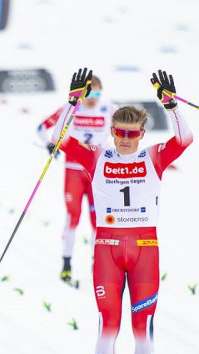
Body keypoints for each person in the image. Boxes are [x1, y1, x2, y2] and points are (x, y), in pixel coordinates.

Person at [58, 68, 193, 354]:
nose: (125, 140)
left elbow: (186, 138)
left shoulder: (153, 157)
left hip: (146, 251)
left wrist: (172, 105)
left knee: (143, 328)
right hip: (107, 252)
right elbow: (58, 138)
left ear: (142, 134)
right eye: (119, 133)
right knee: (108, 326)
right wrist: (72, 103)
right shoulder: (96, 156)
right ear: (111, 131)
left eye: (132, 134)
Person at [37, 75, 114, 285]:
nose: (92, 98)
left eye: (97, 93)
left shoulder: (109, 109)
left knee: (99, 221)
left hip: (97, 172)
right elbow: (41, 128)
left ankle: (97, 264)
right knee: (73, 217)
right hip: (73, 171)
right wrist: (50, 146)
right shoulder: (70, 108)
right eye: (88, 93)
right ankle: (66, 264)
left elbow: (129, 129)